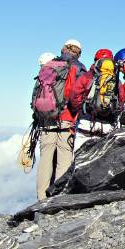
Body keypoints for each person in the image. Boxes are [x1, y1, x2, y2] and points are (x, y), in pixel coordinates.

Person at [35, 39, 87, 200]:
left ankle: (41, 197)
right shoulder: (79, 68)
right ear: (79, 52)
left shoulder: (51, 65)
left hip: (46, 118)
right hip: (67, 119)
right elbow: (80, 95)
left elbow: (37, 91)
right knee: (63, 159)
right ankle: (57, 198)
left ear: (64, 49)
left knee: (45, 160)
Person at [69, 48, 119, 153]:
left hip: (86, 123)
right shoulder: (116, 80)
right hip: (107, 126)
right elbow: (121, 100)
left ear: (95, 60)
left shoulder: (87, 76)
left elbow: (74, 96)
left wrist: (83, 109)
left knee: (78, 160)